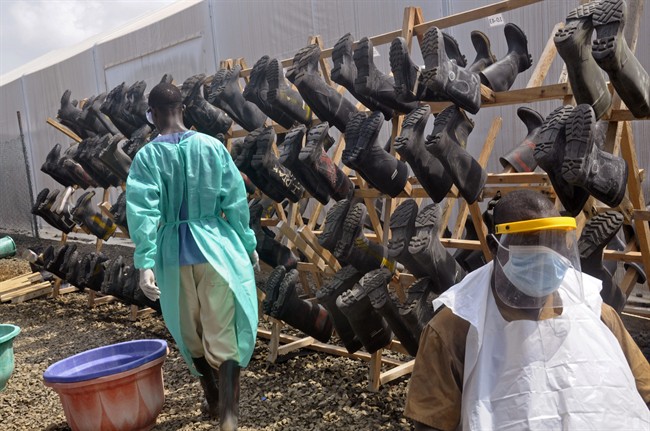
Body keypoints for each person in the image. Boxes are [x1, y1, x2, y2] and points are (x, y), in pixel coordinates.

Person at [405, 189, 650, 430]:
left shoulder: (595, 312)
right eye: (531, 243)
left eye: (553, 242)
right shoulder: (455, 327)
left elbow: (644, 389)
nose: (546, 255)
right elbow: (431, 422)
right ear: (494, 247)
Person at [126, 82, 259, 431]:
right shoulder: (212, 147)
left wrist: (145, 263)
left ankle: (213, 398)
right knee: (222, 332)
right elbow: (235, 201)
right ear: (184, 109)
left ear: (152, 115)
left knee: (189, 332)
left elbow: (143, 212)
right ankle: (228, 417)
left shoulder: (147, 157)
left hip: (173, 258)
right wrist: (247, 244)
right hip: (218, 251)